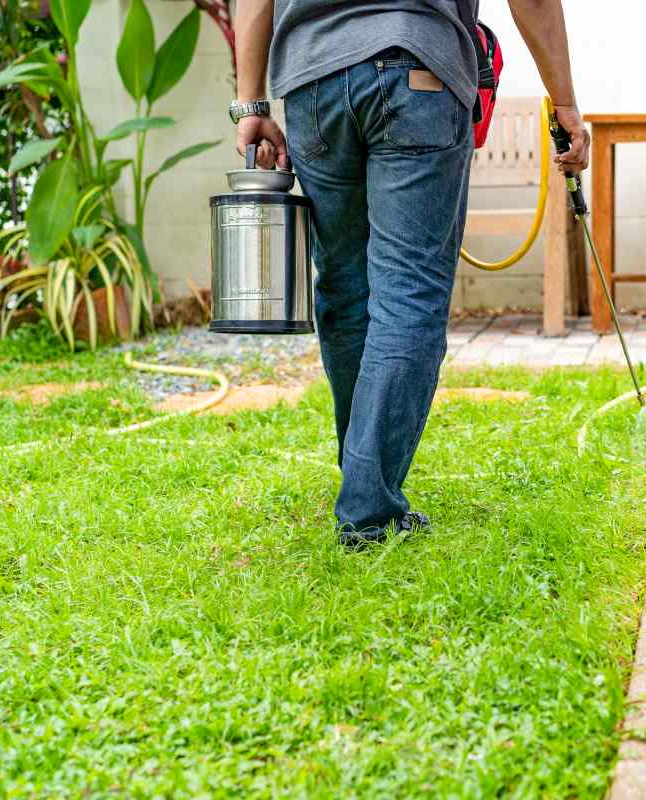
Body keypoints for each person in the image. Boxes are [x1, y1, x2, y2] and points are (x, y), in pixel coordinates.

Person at [232, 0, 590, 547]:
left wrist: (250, 101)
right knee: (409, 293)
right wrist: (564, 101)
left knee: (345, 287)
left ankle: (362, 482)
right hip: (417, 68)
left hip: (314, 84)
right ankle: (368, 508)